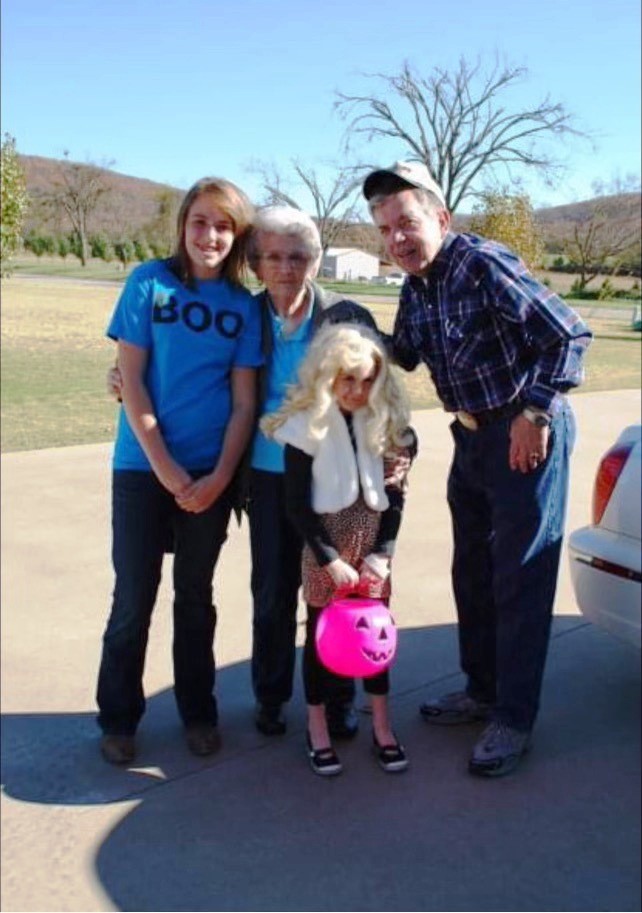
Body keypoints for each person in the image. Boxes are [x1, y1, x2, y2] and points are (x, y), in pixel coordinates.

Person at [362, 161, 593, 777]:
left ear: (440, 217)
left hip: (523, 432)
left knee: (519, 579)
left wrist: (536, 412)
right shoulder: (416, 288)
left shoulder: (482, 263)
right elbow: (404, 354)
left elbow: (568, 336)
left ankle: (513, 718)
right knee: (472, 572)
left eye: (406, 222)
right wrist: (349, 326)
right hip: (468, 438)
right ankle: (482, 690)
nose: (397, 239)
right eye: (385, 230)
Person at [97, 176, 263, 765]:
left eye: (223, 226)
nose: (210, 235)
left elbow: (244, 403)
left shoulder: (244, 308)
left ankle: (198, 713)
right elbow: (131, 380)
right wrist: (165, 468)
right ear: (183, 225)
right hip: (142, 469)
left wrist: (218, 477)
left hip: (210, 474)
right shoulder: (149, 283)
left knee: (195, 597)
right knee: (132, 598)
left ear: (237, 236)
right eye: (200, 222)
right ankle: (118, 719)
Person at [245, 206, 380, 739]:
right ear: (256, 263)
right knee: (272, 592)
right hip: (266, 474)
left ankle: (337, 698)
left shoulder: (344, 315)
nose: (286, 267)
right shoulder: (245, 314)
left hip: (331, 478)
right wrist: (121, 375)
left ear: (316, 260)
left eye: (298, 256)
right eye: (273, 256)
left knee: (332, 593)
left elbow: (379, 382)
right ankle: (271, 696)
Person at [262, 322, 417, 776]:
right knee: (320, 637)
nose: (357, 390)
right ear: (328, 374)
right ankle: (317, 728)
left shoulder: (383, 424)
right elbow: (295, 504)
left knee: (376, 636)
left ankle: (382, 727)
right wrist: (328, 558)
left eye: (367, 381)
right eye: (348, 379)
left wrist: (382, 553)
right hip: (324, 547)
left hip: (372, 548)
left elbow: (396, 496)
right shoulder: (304, 427)